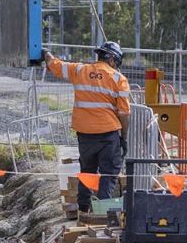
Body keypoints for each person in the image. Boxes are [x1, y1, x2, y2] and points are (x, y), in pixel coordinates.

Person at [43, 42, 130, 210]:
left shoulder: (79, 70)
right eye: (116, 63)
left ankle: (83, 208)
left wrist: (46, 53)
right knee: (108, 173)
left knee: (87, 170)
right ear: (112, 59)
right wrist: (123, 138)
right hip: (108, 133)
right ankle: (103, 212)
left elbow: (55, 65)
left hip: (85, 133)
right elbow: (124, 114)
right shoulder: (119, 79)